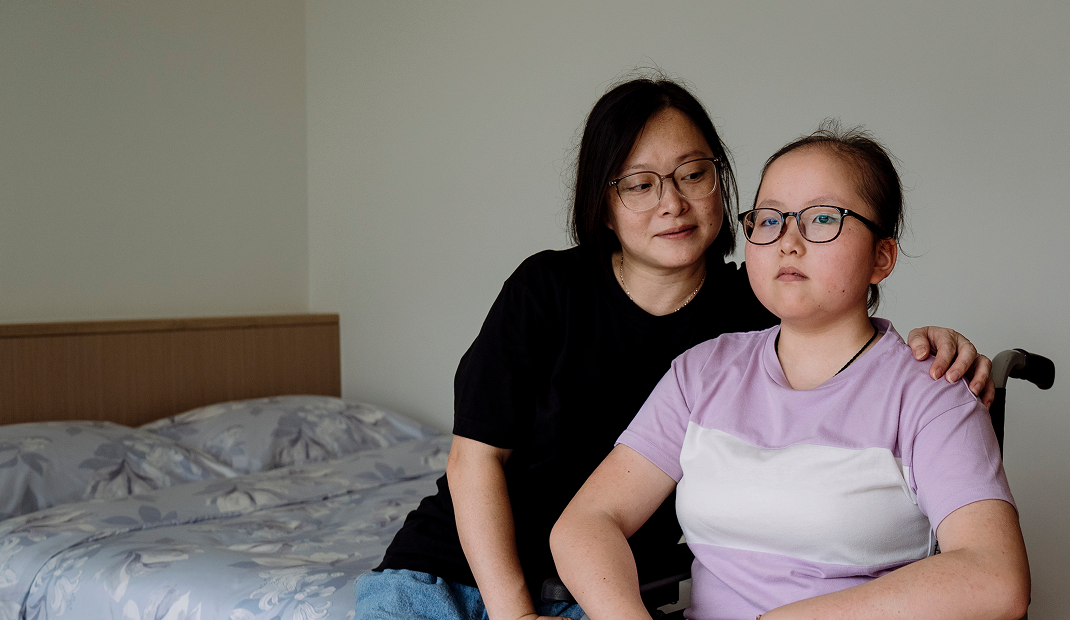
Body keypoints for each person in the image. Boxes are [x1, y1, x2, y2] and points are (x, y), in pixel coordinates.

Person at [354, 78, 997, 620]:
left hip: (600, 594)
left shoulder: (753, 309)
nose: (672, 203)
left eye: (693, 174)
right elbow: (474, 461)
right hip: (459, 571)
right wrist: (514, 615)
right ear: (604, 204)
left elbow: (840, 317)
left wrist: (935, 345)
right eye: (639, 184)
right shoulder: (550, 290)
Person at [551, 124, 1031, 620]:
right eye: (769, 219)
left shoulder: (931, 389)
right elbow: (588, 521)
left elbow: (996, 577)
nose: (788, 242)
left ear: (881, 257)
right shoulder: (701, 373)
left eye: (822, 218)